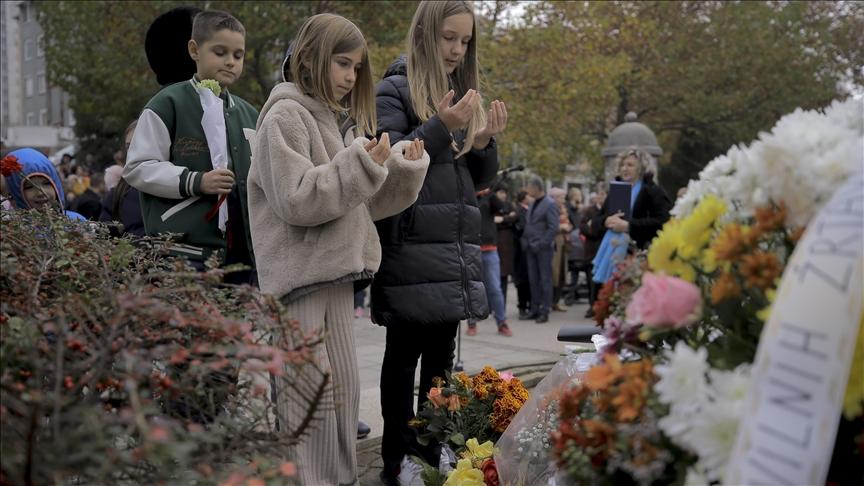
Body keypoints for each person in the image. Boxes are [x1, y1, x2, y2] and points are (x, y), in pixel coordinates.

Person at [247, 13, 429, 484]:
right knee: (309, 393)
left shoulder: (331, 119)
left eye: (356, 67)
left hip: (334, 274)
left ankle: (340, 477)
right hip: (299, 281)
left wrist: (401, 168)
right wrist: (357, 164)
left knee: (342, 392)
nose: (350, 76)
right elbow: (298, 198)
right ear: (310, 58)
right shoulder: (284, 117)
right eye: (342, 63)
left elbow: (358, 202)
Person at [371, 1, 505, 483]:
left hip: (452, 246)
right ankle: (394, 460)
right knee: (402, 357)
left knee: (441, 365)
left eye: (465, 40)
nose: (457, 48)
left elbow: (474, 179)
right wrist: (440, 127)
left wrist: (484, 142)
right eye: (450, 37)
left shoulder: (459, 93)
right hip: (409, 245)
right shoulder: (392, 88)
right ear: (426, 34)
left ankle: (430, 453)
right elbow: (390, 159)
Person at [122, 10, 258, 285]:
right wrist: (196, 181)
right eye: (220, 52)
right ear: (194, 50)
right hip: (183, 252)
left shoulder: (251, 115)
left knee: (236, 327)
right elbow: (137, 167)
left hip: (243, 256)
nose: (230, 62)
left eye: (238, 55)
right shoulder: (167, 104)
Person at [591, 149, 671, 286]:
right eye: (622, 165)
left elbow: (663, 221)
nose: (624, 168)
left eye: (630, 165)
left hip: (639, 257)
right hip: (610, 256)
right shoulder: (616, 191)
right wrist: (605, 221)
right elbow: (595, 221)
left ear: (641, 168)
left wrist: (629, 226)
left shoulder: (653, 191)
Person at [471, 187, 513, 337]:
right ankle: (472, 322)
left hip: (490, 250)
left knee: (495, 288)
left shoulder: (489, 197)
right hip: (472, 248)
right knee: (472, 289)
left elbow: (502, 207)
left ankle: (502, 322)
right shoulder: (468, 194)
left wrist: (489, 191)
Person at [2, 148, 86, 221]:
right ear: (16, 192)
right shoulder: (12, 231)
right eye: (29, 187)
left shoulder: (76, 221)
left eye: (46, 183)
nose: (41, 192)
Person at [521, 177, 558, 324]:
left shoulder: (550, 204)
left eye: (529, 187)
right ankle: (534, 309)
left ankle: (545, 310)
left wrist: (542, 243)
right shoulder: (532, 203)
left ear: (537, 188)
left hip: (543, 249)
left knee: (545, 280)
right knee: (533, 280)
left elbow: (553, 227)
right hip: (530, 247)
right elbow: (530, 224)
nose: (527, 190)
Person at [100, 120, 145, 237]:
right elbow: (105, 238)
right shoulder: (117, 194)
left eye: (138, 144)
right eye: (129, 146)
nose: (133, 151)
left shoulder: (176, 186)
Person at [580, 182, 608, 317]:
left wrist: (595, 227)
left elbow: (604, 228)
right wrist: (594, 230)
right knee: (590, 280)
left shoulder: (609, 211)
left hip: (603, 250)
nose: (600, 196)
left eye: (603, 194)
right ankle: (591, 306)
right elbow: (583, 227)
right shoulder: (589, 210)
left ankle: (600, 307)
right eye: (598, 194)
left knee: (601, 282)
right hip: (591, 251)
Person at [494, 185, 517, 308]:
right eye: (501, 192)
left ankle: (501, 306)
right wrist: (507, 219)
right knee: (492, 277)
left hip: (506, 247)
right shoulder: (492, 204)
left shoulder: (509, 204)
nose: (504, 195)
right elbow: (490, 220)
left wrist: (502, 219)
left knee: (503, 277)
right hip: (494, 245)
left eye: (505, 192)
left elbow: (515, 217)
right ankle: (492, 307)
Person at [549, 187, 572, 312]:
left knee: (562, 273)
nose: (563, 200)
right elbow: (548, 226)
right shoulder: (550, 208)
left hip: (564, 243)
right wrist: (561, 227)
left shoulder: (563, 210)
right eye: (561, 197)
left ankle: (556, 301)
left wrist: (568, 226)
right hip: (555, 244)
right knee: (554, 273)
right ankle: (550, 301)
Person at [513, 189, 534, 319]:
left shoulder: (530, 209)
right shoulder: (519, 211)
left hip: (529, 247)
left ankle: (530, 304)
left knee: (529, 279)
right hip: (521, 249)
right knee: (522, 278)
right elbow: (520, 227)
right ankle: (522, 306)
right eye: (528, 195)